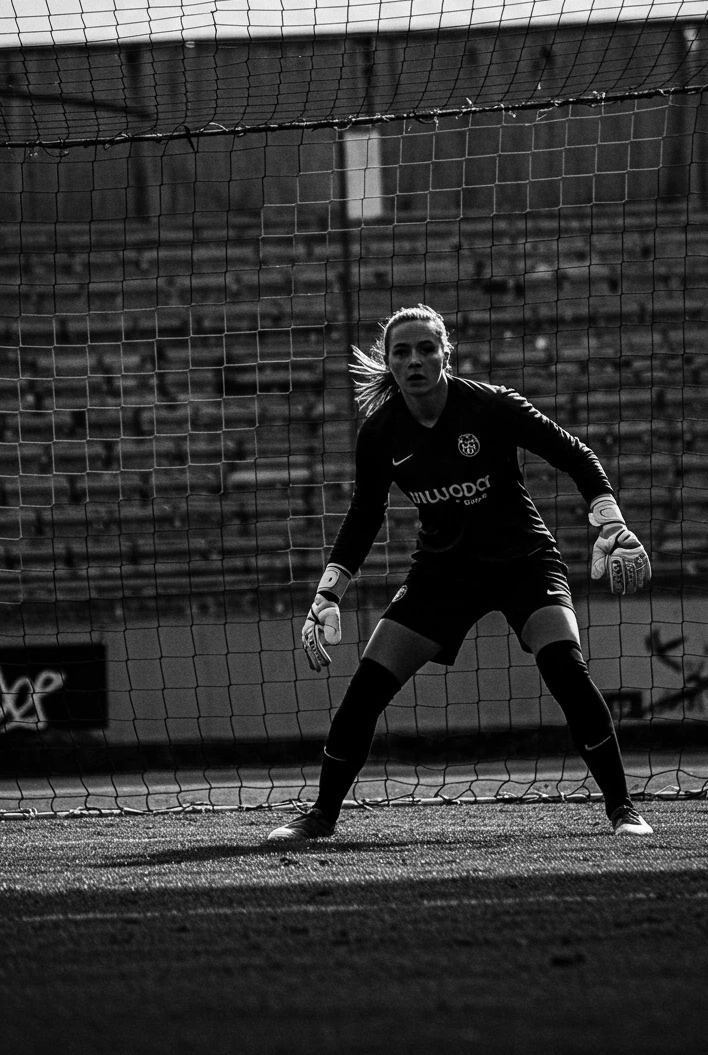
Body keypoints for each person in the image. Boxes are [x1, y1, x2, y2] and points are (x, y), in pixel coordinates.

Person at [267, 304, 653, 846]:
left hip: (523, 561)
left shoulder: (491, 406)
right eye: (401, 351)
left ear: (447, 353)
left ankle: (623, 810)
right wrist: (329, 592)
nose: (415, 360)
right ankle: (320, 817)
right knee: (365, 690)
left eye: (426, 348)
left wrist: (610, 523)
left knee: (565, 667)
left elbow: (575, 454)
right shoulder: (380, 433)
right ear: (389, 362)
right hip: (443, 572)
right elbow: (363, 514)